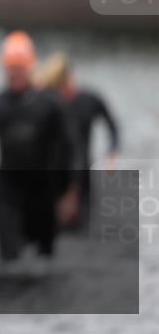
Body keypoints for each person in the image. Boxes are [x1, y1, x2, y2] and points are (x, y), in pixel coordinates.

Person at [0, 31, 80, 268]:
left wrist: (71, 191)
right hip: (7, 191)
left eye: (20, 66)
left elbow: (71, 148)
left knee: (43, 265)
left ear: (31, 66)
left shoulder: (50, 105)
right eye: (10, 66)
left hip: (43, 192)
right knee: (10, 263)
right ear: (2, 68)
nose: (15, 72)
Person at [37, 51, 120, 231]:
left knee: (81, 226)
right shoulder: (49, 102)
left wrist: (112, 154)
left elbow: (112, 126)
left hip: (81, 169)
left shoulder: (90, 100)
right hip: (54, 170)